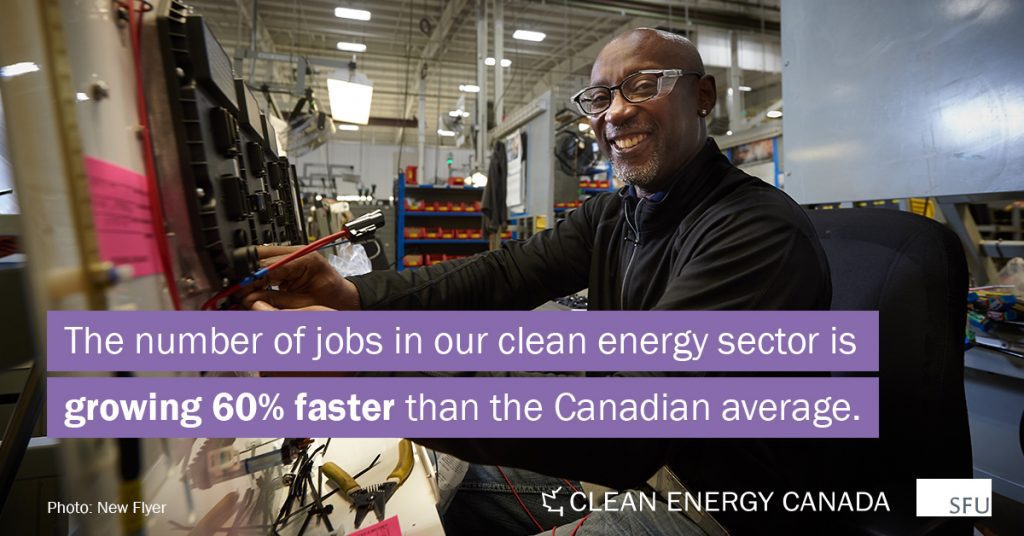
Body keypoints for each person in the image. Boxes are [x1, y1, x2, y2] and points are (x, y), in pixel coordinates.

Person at [244, 29, 832, 535]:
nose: (614, 113)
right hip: (638, 475)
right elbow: (500, 274)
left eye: (643, 85)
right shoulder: (617, 214)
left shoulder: (756, 232)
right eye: (599, 97)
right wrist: (355, 298)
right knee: (445, 491)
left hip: (719, 506)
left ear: (703, 96)